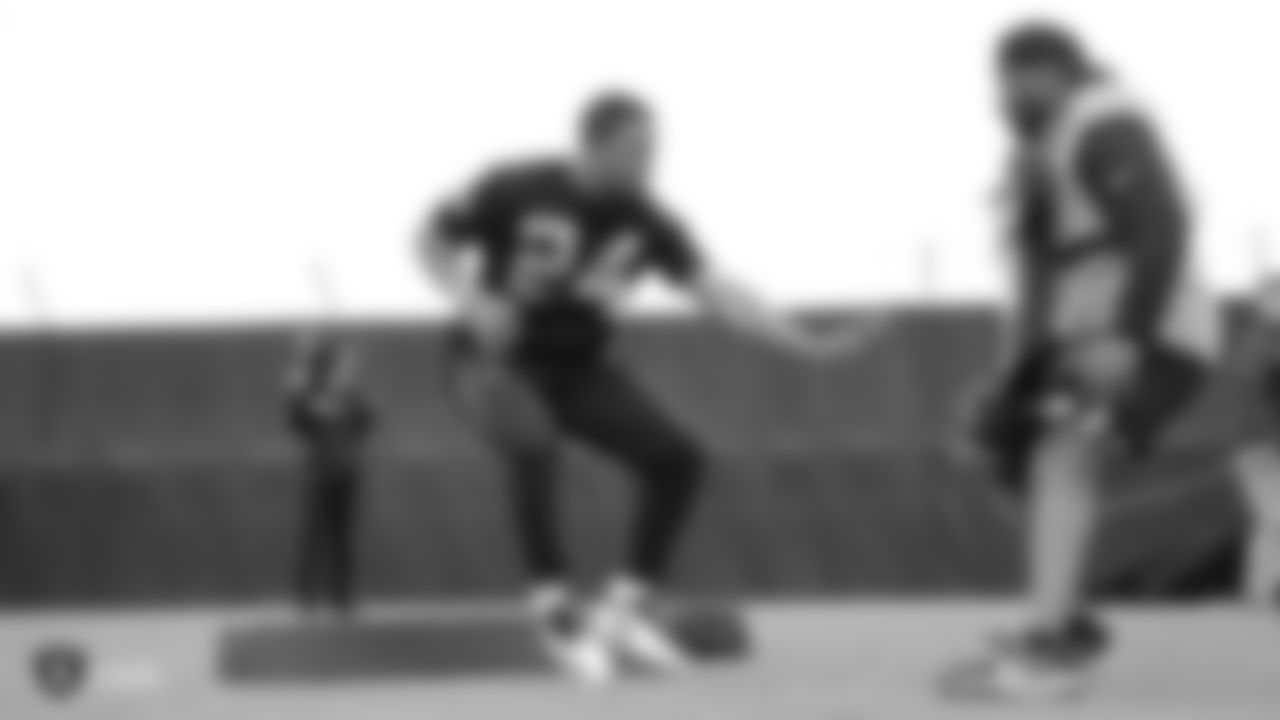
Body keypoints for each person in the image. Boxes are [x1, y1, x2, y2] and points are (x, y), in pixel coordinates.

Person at [421, 91, 885, 684]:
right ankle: (553, 609)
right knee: (534, 445)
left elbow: (718, 291)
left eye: (653, 149)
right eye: (637, 149)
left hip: (580, 369)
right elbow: (427, 240)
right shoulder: (513, 185)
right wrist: (469, 298)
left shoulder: (649, 220)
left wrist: (804, 340)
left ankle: (626, 610)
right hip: (492, 360)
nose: (650, 162)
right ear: (593, 146)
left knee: (679, 459)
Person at [941, 22, 1222, 700]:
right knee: (1014, 451)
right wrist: (1008, 384)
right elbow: (1043, 283)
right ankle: (1061, 621)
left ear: (1060, 71)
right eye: (1000, 82)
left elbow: (1165, 222)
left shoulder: (1103, 120)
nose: (1005, 96)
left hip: (1156, 333)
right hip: (1087, 336)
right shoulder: (1044, 151)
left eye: (1018, 79)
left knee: (1062, 453)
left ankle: (1050, 650)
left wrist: (1130, 337)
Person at [287, 331, 375, 618]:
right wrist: (298, 395)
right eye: (342, 367)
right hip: (320, 474)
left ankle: (342, 598)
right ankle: (306, 598)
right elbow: (298, 423)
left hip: (347, 474)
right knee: (314, 536)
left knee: (342, 537)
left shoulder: (354, 400)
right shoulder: (313, 397)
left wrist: (343, 406)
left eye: (350, 368)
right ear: (330, 369)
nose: (346, 372)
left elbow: (367, 422)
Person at [1227, 277, 1280, 607]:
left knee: (1269, 524)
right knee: (1274, 517)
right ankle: (1261, 597)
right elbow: (1252, 377)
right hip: (1259, 449)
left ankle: (1259, 596)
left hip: (1259, 446)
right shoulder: (1259, 343)